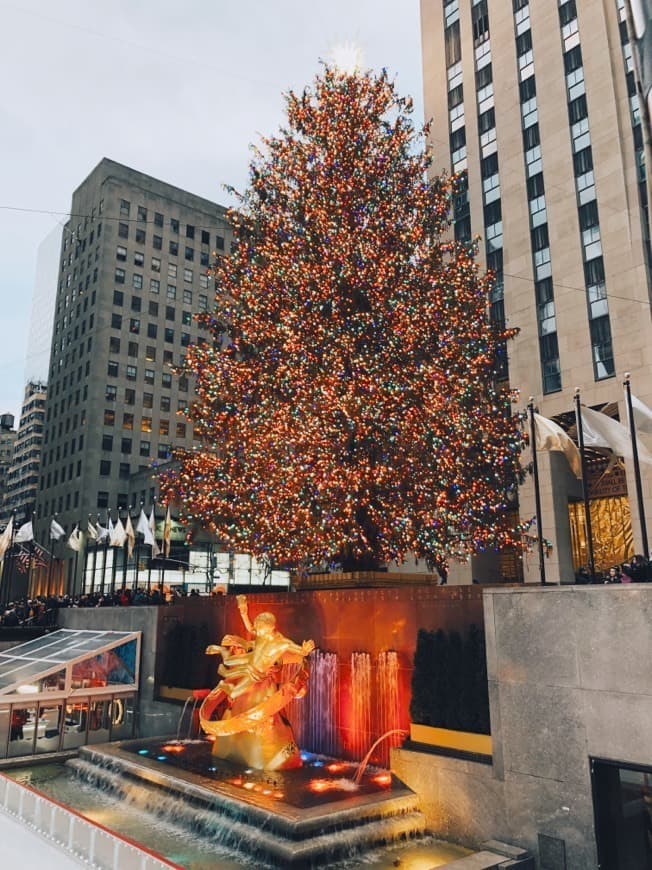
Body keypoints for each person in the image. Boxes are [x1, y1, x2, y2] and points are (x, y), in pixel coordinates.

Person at [207, 595, 314, 702]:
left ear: (270, 628)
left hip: (256, 672)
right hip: (250, 658)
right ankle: (222, 651)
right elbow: (250, 628)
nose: (256, 630)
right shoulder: (261, 634)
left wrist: (306, 649)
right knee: (227, 661)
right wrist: (243, 612)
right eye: (257, 627)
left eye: (259, 628)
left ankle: (222, 685)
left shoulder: (281, 643)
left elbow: (301, 652)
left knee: (234, 693)